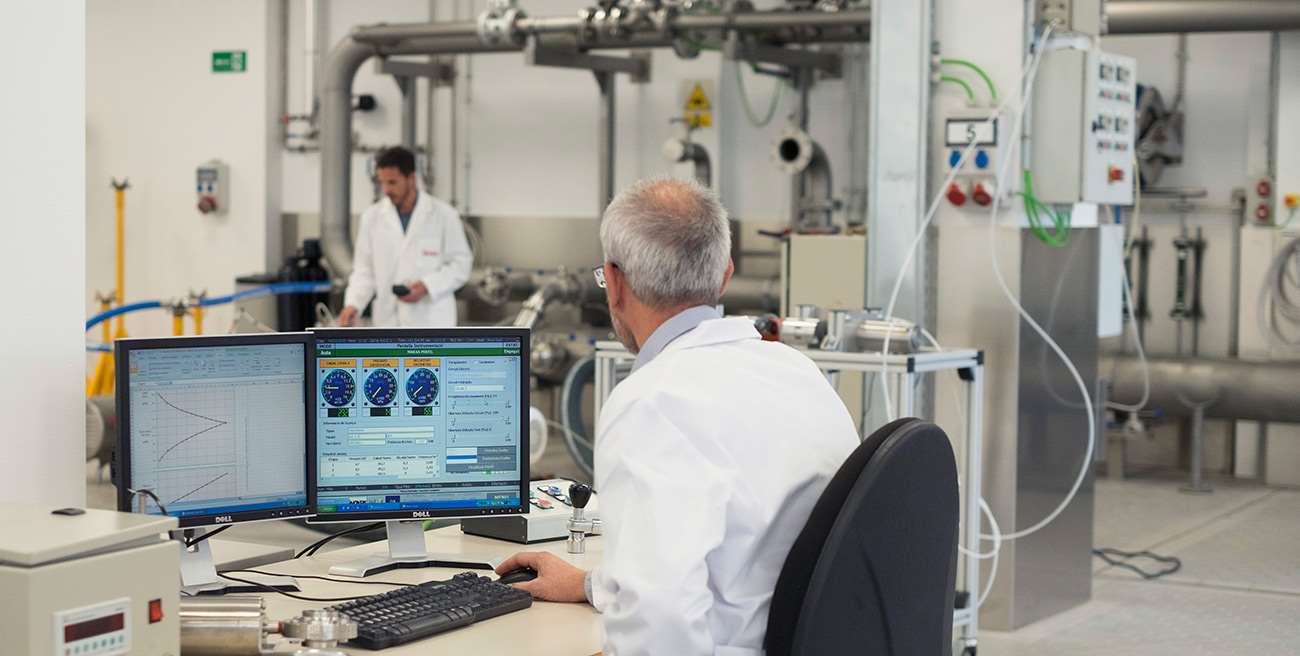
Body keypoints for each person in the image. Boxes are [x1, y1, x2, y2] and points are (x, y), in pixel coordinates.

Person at [495, 178, 859, 655]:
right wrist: (589, 585)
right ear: (725, 274)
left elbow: (659, 626)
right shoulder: (797, 371)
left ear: (615, 283)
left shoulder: (652, 403)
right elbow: (743, 557)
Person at [338, 146, 473, 327]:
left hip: (431, 322)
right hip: (388, 322)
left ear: (411, 178)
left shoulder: (444, 215)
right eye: (382, 182)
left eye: (392, 182)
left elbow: (460, 265)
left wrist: (426, 286)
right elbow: (364, 271)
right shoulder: (372, 217)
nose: (386, 190)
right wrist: (353, 304)